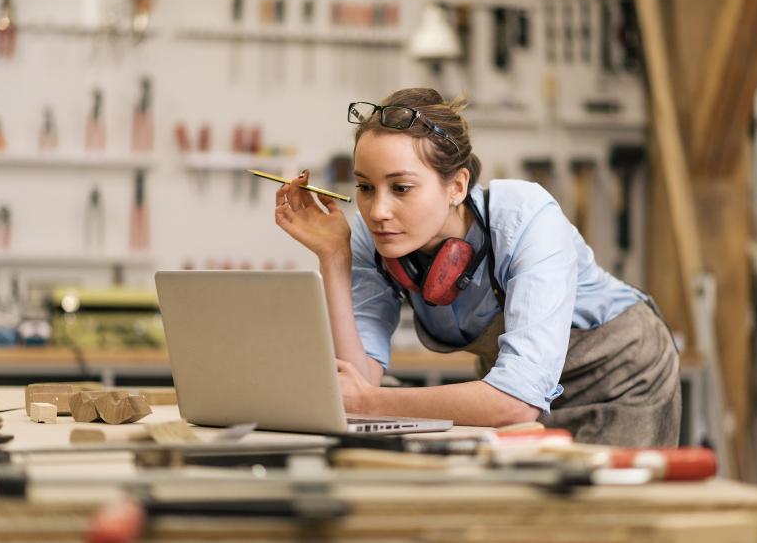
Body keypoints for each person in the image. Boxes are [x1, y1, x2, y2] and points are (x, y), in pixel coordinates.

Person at [274, 88, 680, 446]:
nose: (378, 211)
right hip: (512, 395)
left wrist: (372, 402)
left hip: (619, 376)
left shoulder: (526, 219)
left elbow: (516, 402)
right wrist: (334, 259)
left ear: (457, 186)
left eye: (401, 188)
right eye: (365, 187)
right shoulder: (371, 238)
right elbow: (358, 380)